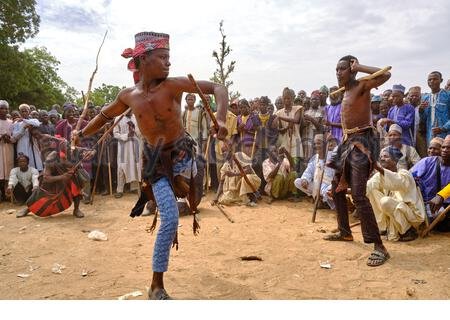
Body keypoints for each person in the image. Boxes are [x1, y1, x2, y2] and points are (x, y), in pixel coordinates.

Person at [73, 31, 229, 300]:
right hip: (155, 162)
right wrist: (82, 133)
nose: (168, 63)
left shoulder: (174, 85)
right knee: (169, 219)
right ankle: (156, 284)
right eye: (163, 57)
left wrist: (222, 118)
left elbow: (219, 88)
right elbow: (103, 115)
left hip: (183, 156)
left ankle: (185, 193)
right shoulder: (128, 96)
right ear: (144, 59)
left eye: (169, 57)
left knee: (193, 200)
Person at [323, 55, 391, 267]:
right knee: (337, 189)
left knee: (359, 195)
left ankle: (380, 247)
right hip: (347, 143)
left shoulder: (362, 85)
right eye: (336, 69)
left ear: (352, 70)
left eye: (342, 69)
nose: (337, 73)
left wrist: (360, 67)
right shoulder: (344, 92)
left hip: (362, 143)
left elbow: (386, 74)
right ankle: (345, 232)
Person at [367, 146, 426, 241]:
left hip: (412, 216)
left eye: (386, 156)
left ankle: (408, 230)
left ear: (395, 160)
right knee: (371, 190)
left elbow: (397, 182)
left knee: (385, 201)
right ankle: (383, 227)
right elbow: (367, 187)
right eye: (381, 156)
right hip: (394, 213)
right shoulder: (379, 175)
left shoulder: (405, 173)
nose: (382, 158)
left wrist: (378, 168)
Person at [410, 135, 450, 231]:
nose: (444, 150)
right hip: (425, 203)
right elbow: (408, 176)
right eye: (443, 147)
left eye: (449, 148)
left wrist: (441, 195)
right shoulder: (427, 162)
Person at [294, 134, 336, 209]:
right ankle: (319, 199)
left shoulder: (332, 156)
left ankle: (323, 201)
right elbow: (308, 171)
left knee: (328, 191)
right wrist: (305, 179)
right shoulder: (315, 158)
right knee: (298, 182)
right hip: (317, 185)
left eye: (319, 143)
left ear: (325, 144)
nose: (316, 145)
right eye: (315, 144)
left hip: (328, 185)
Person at [113, 110, 141, 198]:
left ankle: (134, 187)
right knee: (121, 167)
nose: (131, 111)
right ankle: (120, 190)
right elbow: (115, 133)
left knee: (135, 165)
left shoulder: (135, 117)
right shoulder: (118, 118)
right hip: (123, 145)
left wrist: (135, 131)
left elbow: (139, 132)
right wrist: (126, 135)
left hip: (135, 144)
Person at [275, 87, 304, 174]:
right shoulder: (278, 112)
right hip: (284, 143)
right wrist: (285, 128)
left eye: (289, 98)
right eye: (285, 98)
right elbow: (280, 130)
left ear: (292, 99)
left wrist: (280, 118)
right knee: (285, 168)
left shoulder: (298, 109)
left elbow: (296, 120)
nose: (287, 100)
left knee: (294, 169)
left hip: (296, 141)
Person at [419, 71, 450, 144]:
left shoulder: (447, 96)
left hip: (446, 134)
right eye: (429, 80)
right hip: (430, 134)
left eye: (435, 79)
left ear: (441, 80)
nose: (432, 81)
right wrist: (421, 111)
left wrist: (443, 128)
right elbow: (424, 119)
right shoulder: (425, 97)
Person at [11, 104, 43, 171]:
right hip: (22, 144)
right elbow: (15, 136)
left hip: (33, 144)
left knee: (34, 162)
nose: (24, 113)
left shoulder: (34, 120)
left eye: (26, 111)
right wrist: (23, 128)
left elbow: (37, 124)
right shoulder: (16, 123)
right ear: (20, 113)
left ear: (29, 112)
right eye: (22, 111)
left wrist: (24, 120)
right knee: (23, 162)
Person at [0, 100, 14, 201]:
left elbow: (14, 137)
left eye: (5, 108)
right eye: (1, 108)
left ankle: (7, 195)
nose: (3, 110)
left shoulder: (11, 123)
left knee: (8, 172)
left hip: (8, 148)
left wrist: (8, 138)